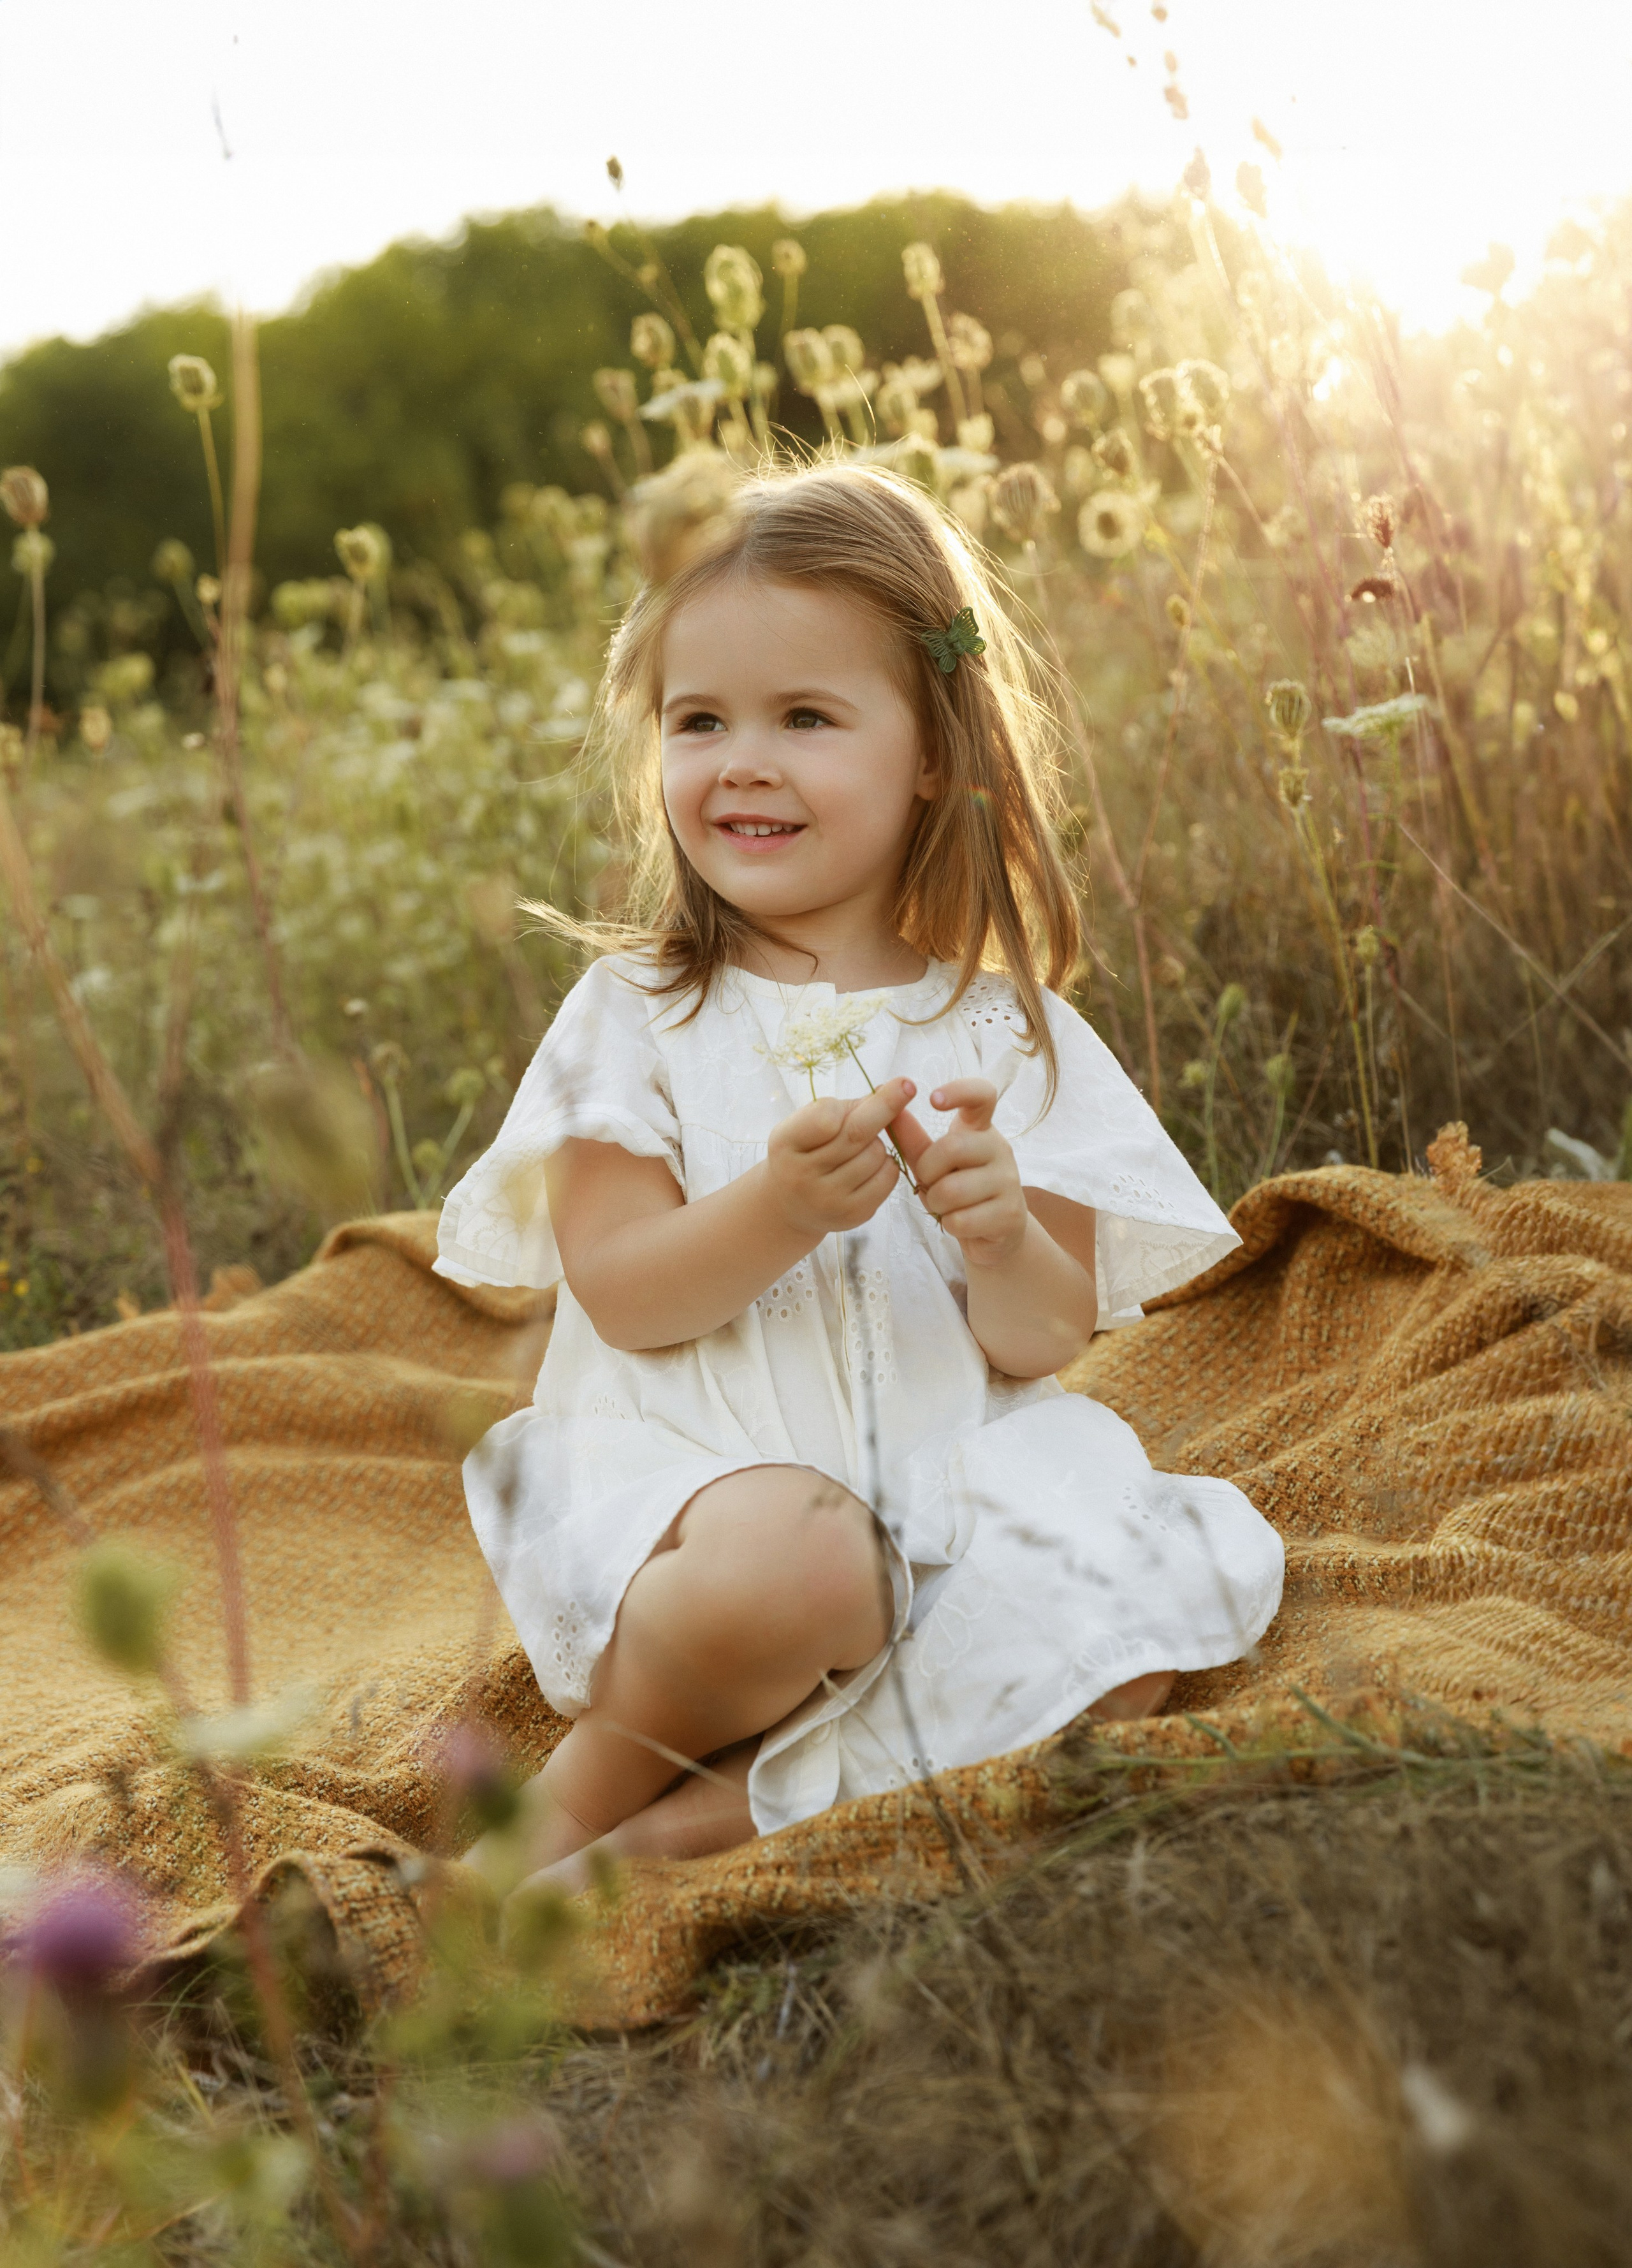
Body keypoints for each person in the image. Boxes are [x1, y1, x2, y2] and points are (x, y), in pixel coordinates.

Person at [437, 463, 1283, 1899]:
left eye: (806, 719)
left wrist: (1002, 1231)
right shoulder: (637, 1011)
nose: (740, 761)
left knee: (1120, 1644)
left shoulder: (999, 1026)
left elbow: (1039, 1337)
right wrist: (774, 1212)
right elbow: (625, 1294)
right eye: (697, 721)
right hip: (698, 1490)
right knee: (803, 1567)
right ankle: (538, 1830)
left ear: (934, 754)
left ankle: (668, 1844)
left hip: (951, 1485)